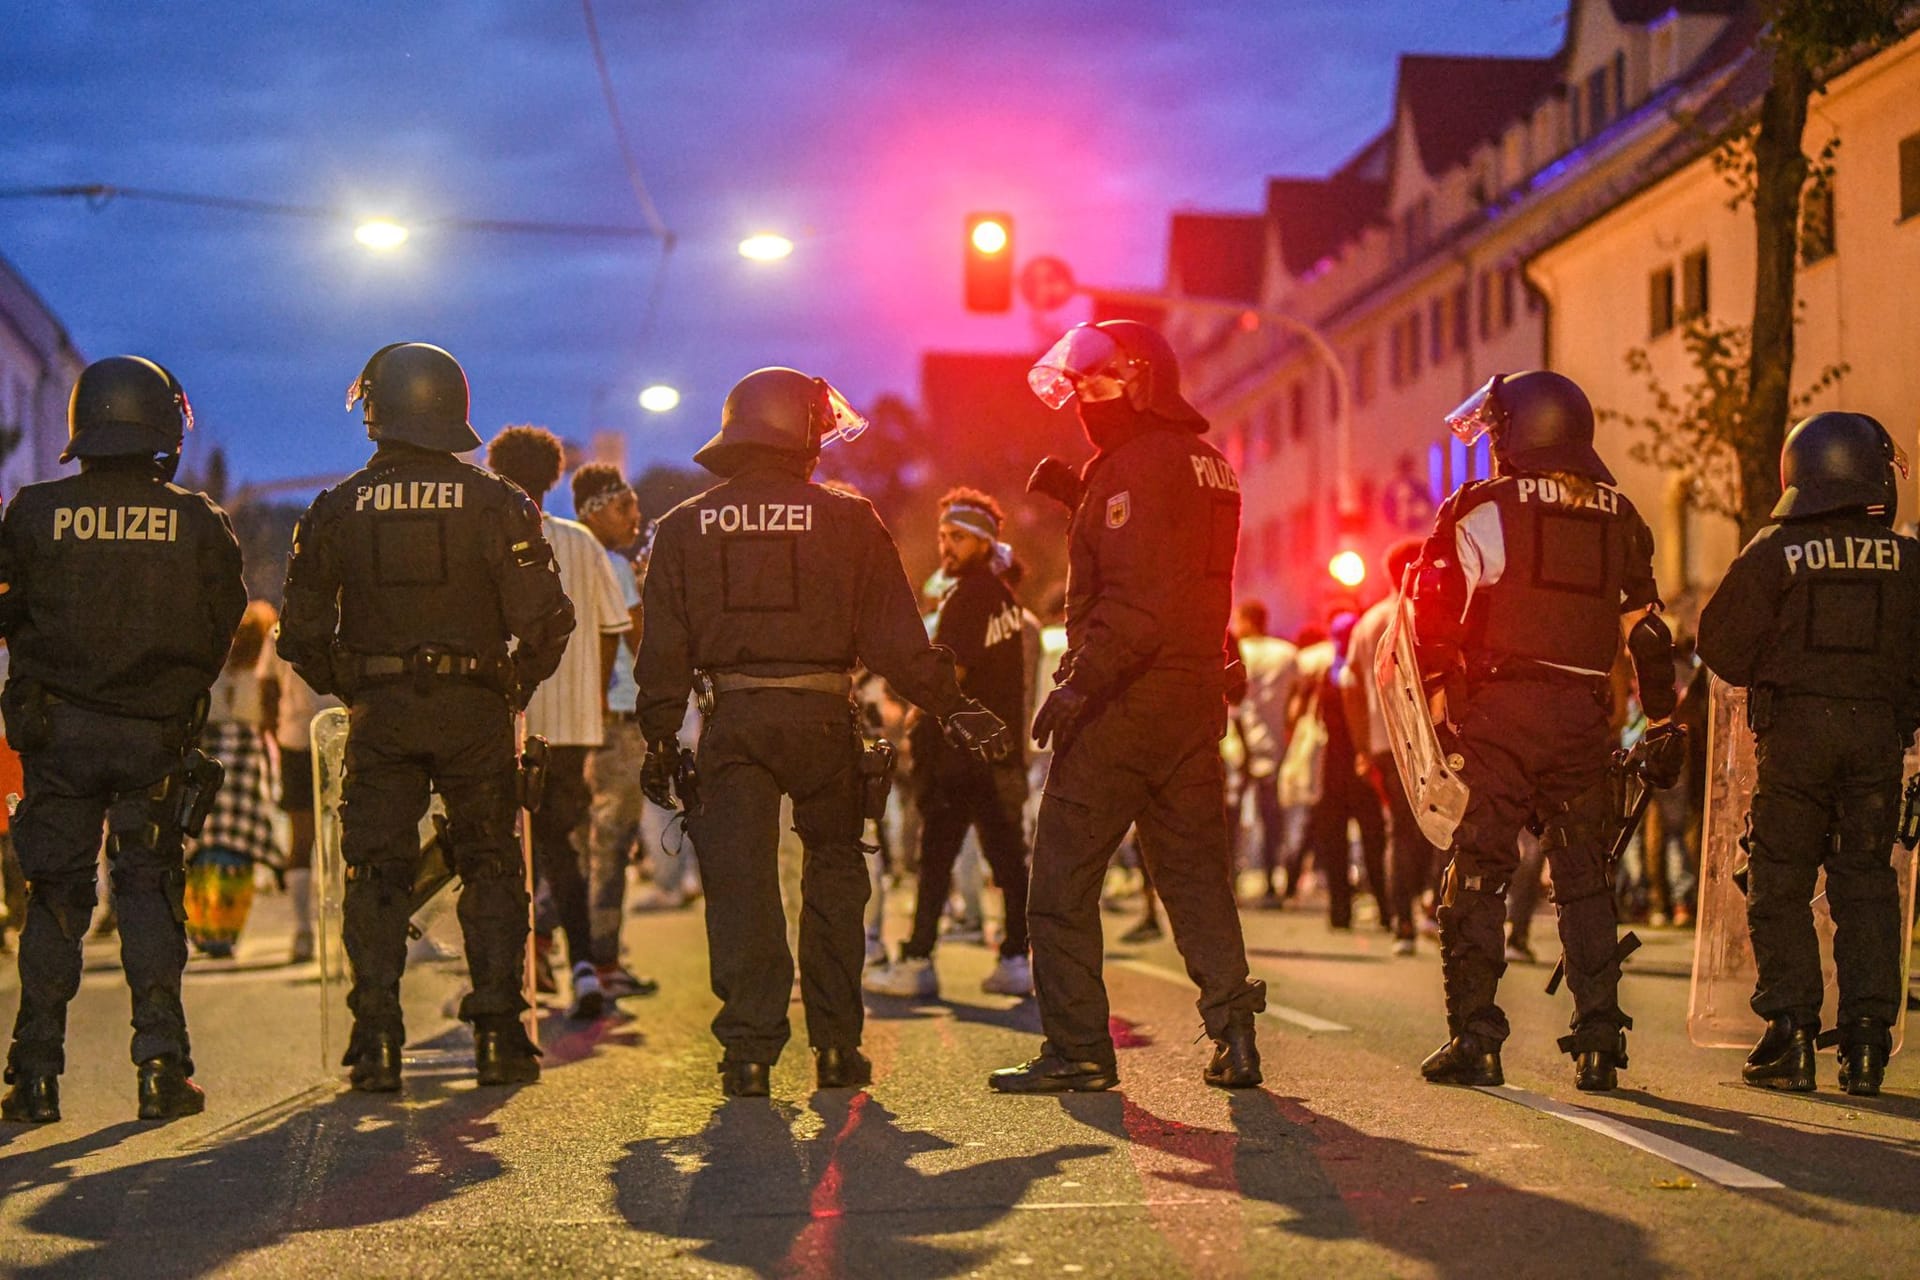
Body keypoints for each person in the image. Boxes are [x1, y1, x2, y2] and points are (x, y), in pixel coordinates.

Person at [635, 367, 1009, 1099]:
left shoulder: (683, 527)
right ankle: (837, 1050)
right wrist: (954, 706)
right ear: (800, 432)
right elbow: (899, 642)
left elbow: (664, 652)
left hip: (732, 724)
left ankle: (748, 1055)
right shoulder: (848, 519)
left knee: (740, 888)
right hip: (823, 721)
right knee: (835, 881)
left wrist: (658, 738)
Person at [278, 342, 574, 1092]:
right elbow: (546, 621)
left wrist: (355, 689)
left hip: (381, 718)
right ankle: (502, 1036)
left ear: (378, 411)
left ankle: (375, 1038)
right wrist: (511, 687)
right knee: (492, 863)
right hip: (474, 711)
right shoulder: (497, 501)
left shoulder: (336, 508)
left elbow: (299, 635)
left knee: (374, 870)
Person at [992, 319, 1267, 1095]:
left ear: (1142, 380)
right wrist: (1086, 496)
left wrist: (1081, 683)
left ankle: (1078, 1048)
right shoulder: (1209, 465)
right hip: (1190, 695)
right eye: (1076, 386)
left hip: (1124, 699)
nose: (1082, 399)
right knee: (1195, 877)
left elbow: (1137, 597)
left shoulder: (1133, 466)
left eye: (1096, 383)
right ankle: (1235, 1036)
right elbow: (1184, 573)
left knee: (1060, 883)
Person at [1408, 370, 1681, 1094]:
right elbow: (1648, 635)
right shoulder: (1620, 516)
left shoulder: (1480, 508)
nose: (1493, 443)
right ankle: (1599, 1042)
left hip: (1500, 713)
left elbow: (1430, 621)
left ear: (1520, 432)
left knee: (1478, 872)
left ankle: (1476, 1037)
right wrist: (1662, 721)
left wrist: (1440, 711)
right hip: (1583, 717)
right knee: (1585, 877)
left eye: (1498, 430)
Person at [0, 355, 246, 1124]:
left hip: (58, 736)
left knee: (56, 899)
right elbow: (222, 629)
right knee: (147, 892)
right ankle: (162, 1071)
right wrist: (169, 690)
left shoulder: (33, 513)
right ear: (163, 426)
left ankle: (32, 1077)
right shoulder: (199, 521)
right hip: (152, 738)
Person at [1696, 411, 1920, 1096]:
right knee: (1867, 884)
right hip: (1878, 741)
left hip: (1795, 739)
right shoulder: (1909, 559)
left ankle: (1790, 1034)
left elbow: (1720, 646)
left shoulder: (1774, 550)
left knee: (1780, 881)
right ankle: (1866, 1044)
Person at [486, 426, 632, 1021]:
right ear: (554, 478)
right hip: (572, 726)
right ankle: (583, 969)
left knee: (501, 848)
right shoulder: (580, 543)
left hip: (504, 719)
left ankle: (509, 972)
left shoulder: (489, 535)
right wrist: (593, 702)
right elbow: (610, 630)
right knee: (563, 848)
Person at [864, 488, 1033, 1000]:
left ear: (984, 541)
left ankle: (918, 960)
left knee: (935, 857)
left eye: (957, 537)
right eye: (942, 536)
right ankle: (1015, 958)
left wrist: (915, 720)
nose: (946, 547)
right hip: (996, 751)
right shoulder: (1004, 597)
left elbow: (948, 681)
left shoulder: (969, 597)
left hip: (960, 752)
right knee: (1006, 860)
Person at [571, 463, 663, 996]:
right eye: (624, 505)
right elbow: (639, 644)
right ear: (594, 510)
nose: (636, 515)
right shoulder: (614, 566)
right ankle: (604, 962)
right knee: (613, 842)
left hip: (575, 719)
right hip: (619, 718)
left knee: (576, 843)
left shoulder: (567, 556)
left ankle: (566, 955)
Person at [1342, 540, 1433, 953]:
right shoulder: (1423, 614)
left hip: (1383, 743)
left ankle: (1403, 924)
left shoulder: (1367, 623)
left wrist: (1363, 747)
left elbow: (1350, 691)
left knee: (1399, 828)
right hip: (1425, 739)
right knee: (1439, 825)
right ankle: (1431, 908)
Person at [184, 600, 284, 959]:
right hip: (246, 757)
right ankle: (226, 932)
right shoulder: (262, 666)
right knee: (238, 847)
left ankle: (203, 928)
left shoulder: (211, 665)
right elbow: (269, 714)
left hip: (208, 754)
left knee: (203, 842)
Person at [256, 625, 341, 963]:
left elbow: (267, 686)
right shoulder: (354, 615)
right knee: (355, 836)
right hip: (346, 734)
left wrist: (272, 731)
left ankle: (304, 932)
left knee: (301, 839)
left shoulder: (282, 627)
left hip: (296, 738)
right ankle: (351, 929)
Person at [1298, 612, 1388, 930]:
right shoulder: (1363, 671)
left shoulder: (1329, 674)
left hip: (1334, 770)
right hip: (1362, 766)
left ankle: (1340, 911)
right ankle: (1385, 909)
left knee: (1335, 844)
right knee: (1373, 842)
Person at [1229, 601, 1298, 909]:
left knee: (1229, 818)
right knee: (1272, 819)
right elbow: (1294, 704)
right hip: (1274, 745)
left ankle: (1230, 879)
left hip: (1234, 746)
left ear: (1245, 620)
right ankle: (1272, 883)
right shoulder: (1287, 655)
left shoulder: (1237, 651)